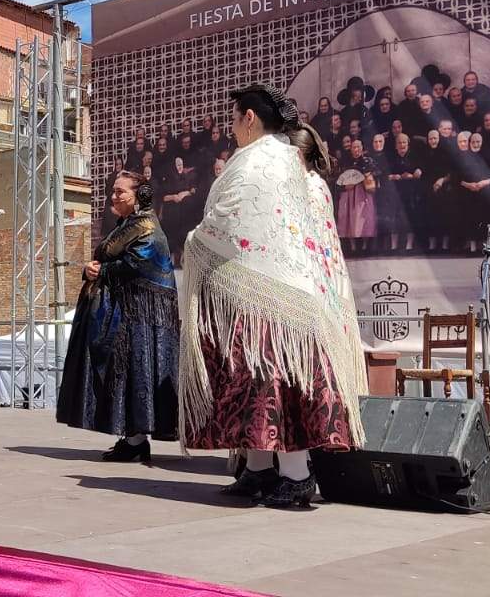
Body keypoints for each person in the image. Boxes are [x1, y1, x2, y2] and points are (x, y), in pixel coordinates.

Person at [180, 85, 366, 508]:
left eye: (233, 118)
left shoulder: (260, 160)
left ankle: (297, 475)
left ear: (249, 117)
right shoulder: (282, 158)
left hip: (269, 293)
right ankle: (259, 469)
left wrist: (196, 240)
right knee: (252, 380)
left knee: (275, 380)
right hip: (271, 289)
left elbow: (227, 219)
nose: (231, 128)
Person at [55, 170, 180, 462]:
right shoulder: (126, 225)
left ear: (139, 196)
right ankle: (132, 437)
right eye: (113, 191)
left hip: (140, 316)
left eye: (120, 192)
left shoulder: (147, 226)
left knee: (134, 372)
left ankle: (136, 439)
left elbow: (140, 263)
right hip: (125, 311)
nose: (114, 196)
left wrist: (103, 270)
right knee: (123, 373)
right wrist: (91, 270)